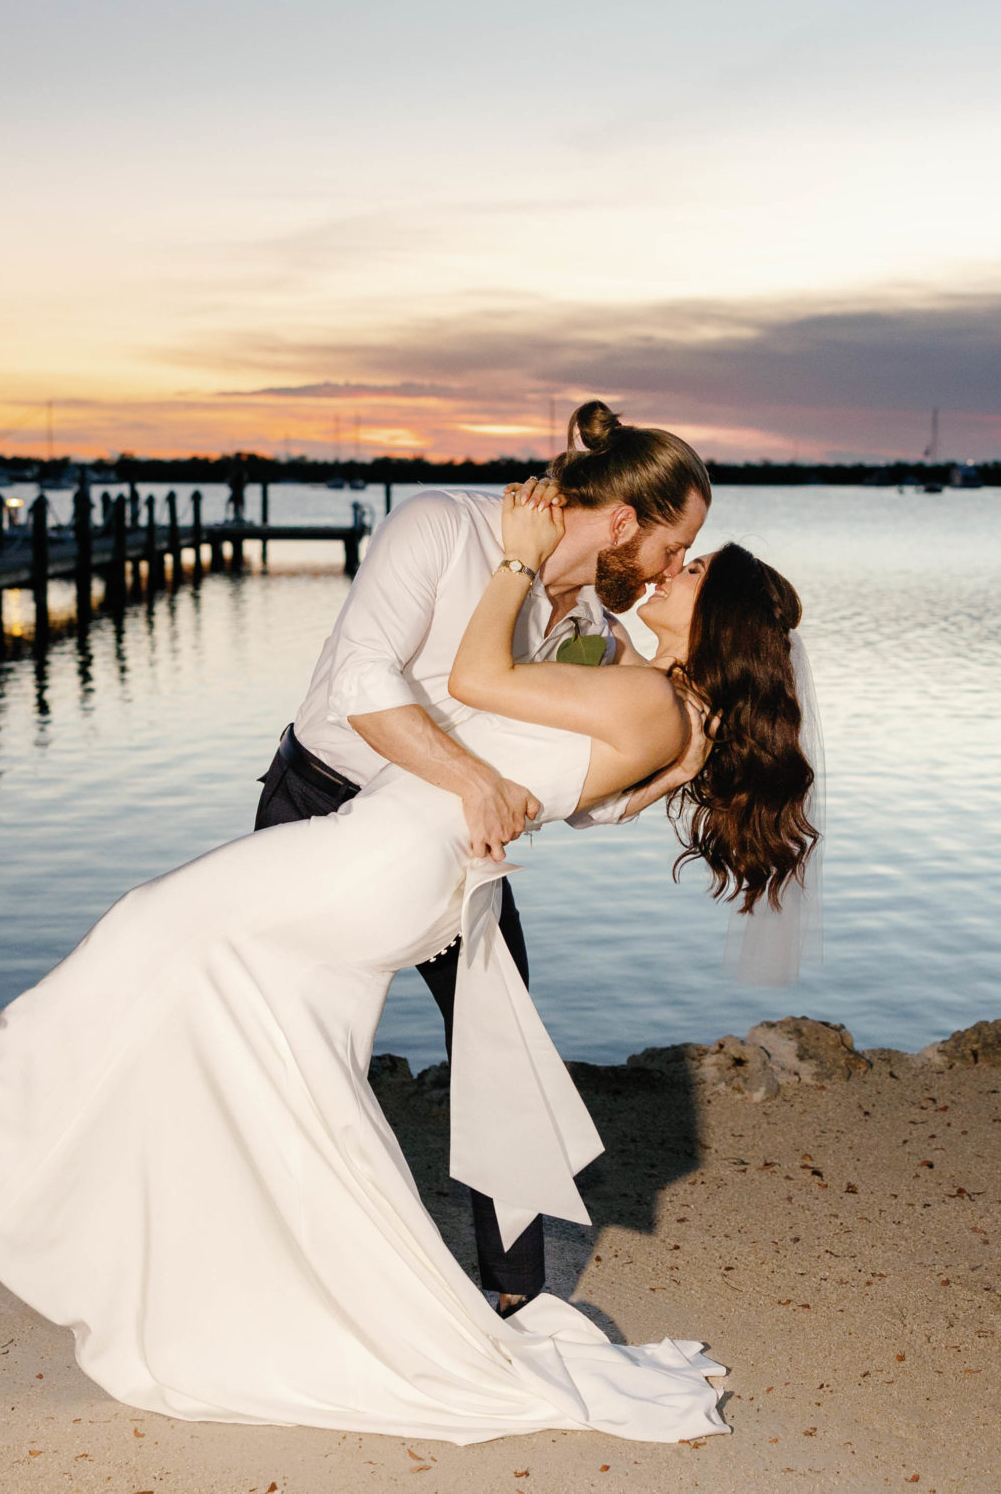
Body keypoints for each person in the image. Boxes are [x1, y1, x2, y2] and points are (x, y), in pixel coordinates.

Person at [0, 481, 818, 1445]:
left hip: (376, 857)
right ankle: (270, 1283)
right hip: (400, 865)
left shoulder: (644, 692)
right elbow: (579, 792)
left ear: (719, 614)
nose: (670, 568)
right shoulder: (675, 716)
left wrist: (517, 559)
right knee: (282, 1077)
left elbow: (477, 682)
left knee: (146, 924)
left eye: (693, 569)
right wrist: (674, 766)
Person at [254, 400, 711, 1316]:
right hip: (323, 805)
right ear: (625, 522)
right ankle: (292, 1263)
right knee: (294, 1044)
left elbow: (571, 791)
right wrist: (471, 779)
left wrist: (670, 768)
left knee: (500, 1038)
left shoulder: (588, 625)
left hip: (459, 838)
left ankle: (514, 1291)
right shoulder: (441, 526)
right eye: (675, 544)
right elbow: (361, 679)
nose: (672, 567)